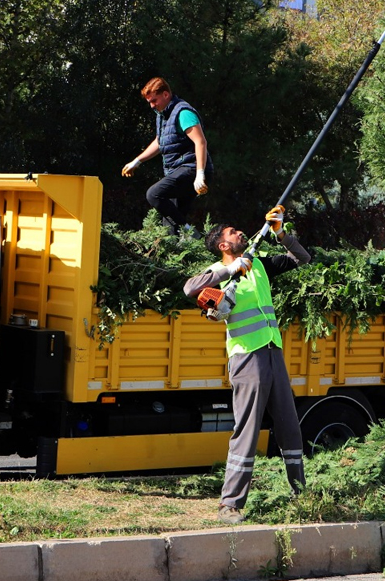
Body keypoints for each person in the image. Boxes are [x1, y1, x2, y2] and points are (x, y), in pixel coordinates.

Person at [183, 205, 308, 524]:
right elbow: (189, 288)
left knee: (290, 427)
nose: (240, 233)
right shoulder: (217, 274)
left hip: (272, 351)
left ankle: (300, 494)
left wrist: (280, 233)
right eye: (232, 233)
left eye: (240, 231)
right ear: (224, 246)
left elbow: (302, 259)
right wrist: (233, 268)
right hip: (246, 357)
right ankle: (230, 505)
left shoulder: (261, 265)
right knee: (248, 430)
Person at [121, 77, 212, 235]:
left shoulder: (183, 113)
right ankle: (183, 245)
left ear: (165, 94)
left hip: (191, 169)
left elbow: (200, 142)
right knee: (170, 226)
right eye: (149, 102)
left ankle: (190, 233)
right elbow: (160, 141)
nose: (152, 106)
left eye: (154, 101)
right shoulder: (163, 114)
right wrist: (137, 161)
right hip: (176, 171)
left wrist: (200, 174)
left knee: (154, 194)